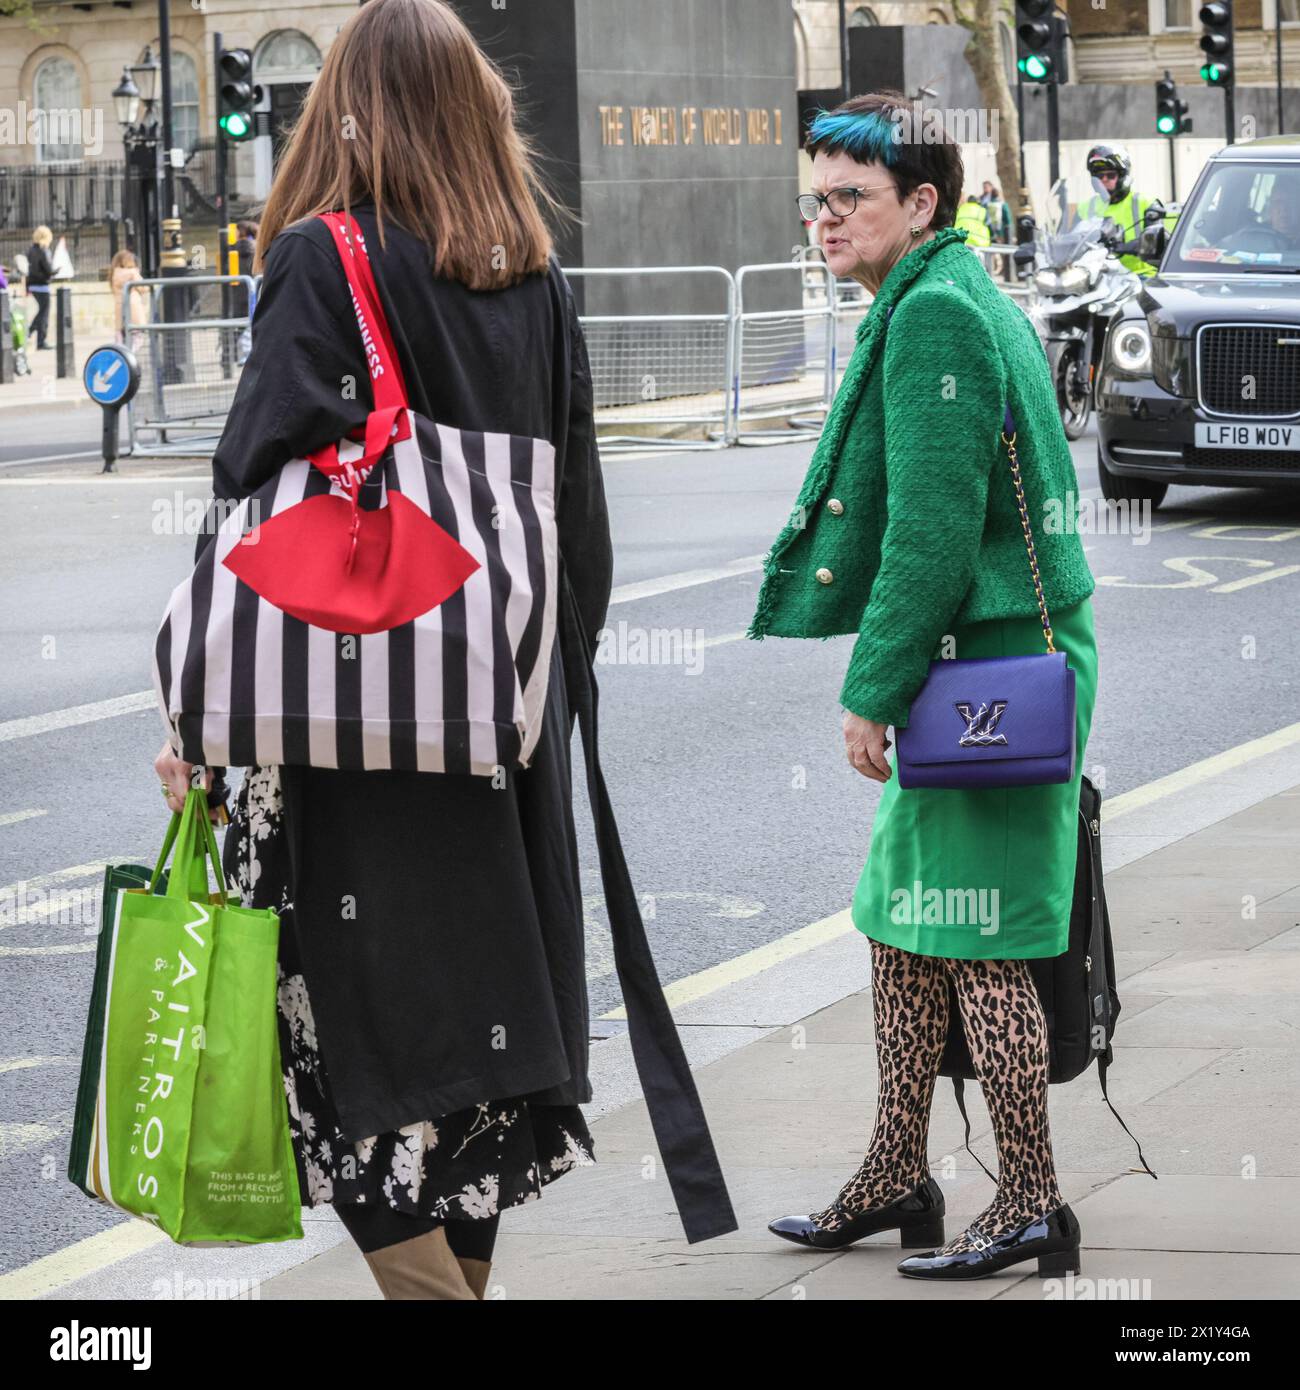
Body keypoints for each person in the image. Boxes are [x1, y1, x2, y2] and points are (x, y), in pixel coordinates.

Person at [153, 0, 732, 1300]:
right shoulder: (532, 283)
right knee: (460, 1105)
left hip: (343, 776)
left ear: (344, 111)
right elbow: (581, 545)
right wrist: (517, 702)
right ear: (478, 116)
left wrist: (198, 721)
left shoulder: (322, 257)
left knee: (354, 1088)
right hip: (492, 754)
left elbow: (255, 503)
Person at [754, 90, 1098, 1280]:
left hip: (994, 661)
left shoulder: (935, 316)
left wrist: (874, 687)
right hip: (987, 654)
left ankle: (1034, 1205)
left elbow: (935, 535)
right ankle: (898, 1172)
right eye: (816, 199)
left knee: (977, 937)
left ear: (921, 203)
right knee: (901, 924)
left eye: (849, 198)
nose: (825, 220)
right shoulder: (942, 291)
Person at [1074, 144, 1174, 278]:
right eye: (1099, 176)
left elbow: (1155, 243)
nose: (1104, 180)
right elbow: (1069, 238)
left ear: (1122, 176)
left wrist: (1124, 247)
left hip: (1140, 276)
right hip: (1096, 277)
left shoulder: (1146, 203)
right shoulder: (1085, 207)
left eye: (1110, 175)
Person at [108, 249, 149, 346]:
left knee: (120, 339)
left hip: (119, 309)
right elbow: (144, 288)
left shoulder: (114, 274)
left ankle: (123, 358)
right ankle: (131, 357)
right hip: (133, 309)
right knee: (137, 339)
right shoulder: (132, 273)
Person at [24, 226, 54, 349]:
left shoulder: (31, 250)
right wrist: (55, 272)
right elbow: (48, 269)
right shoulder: (44, 250)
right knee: (44, 313)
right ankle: (38, 338)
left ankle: (36, 337)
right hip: (42, 285)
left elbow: (29, 269)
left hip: (32, 285)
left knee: (42, 311)